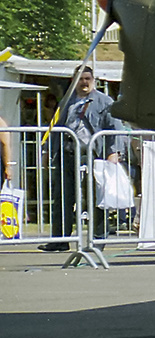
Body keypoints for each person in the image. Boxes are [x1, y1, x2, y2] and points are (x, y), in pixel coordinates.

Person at [40, 66, 124, 251]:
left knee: (94, 200)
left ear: (93, 80)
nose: (84, 82)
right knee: (62, 197)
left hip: (93, 156)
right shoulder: (67, 101)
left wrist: (113, 152)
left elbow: (115, 128)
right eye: (80, 79)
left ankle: (97, 241)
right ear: (74, 81)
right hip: (68, 154)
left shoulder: (104, 102)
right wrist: (48, 152)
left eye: (87, 78)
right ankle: (60, 240)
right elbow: (55, 128)